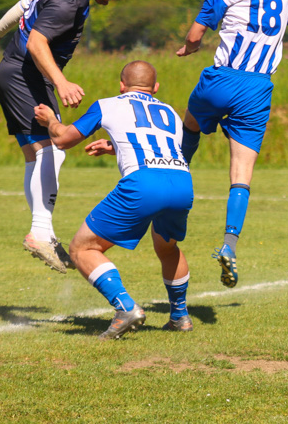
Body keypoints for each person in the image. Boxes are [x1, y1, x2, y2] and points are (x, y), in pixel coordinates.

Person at [0, 0, 128, 273]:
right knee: (54, 150)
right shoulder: (70, 1)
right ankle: (40, 232)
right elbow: (39, 42)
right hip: (27, 74)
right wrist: (61, 82)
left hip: (15, 70)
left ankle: (44, 231)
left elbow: (26, 1)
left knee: (37, 155)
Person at [176, 0, 288, 288]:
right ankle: (229, 245)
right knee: (242, 172)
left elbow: (195, 35)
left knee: (189, 127)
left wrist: (189, 48)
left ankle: (173, 186)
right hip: (258, 88)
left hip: (223, 79)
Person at [34, 61, 195, 339]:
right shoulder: (169, 111)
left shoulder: (108, 104)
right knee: (168, 248)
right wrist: (115, 147)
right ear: (155, 88)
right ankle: (180, 317)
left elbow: (63, 140)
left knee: (82, 249)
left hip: (144, 184)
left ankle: (125, 308)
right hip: (182, 183)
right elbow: (161, 145)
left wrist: (50, 120)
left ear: (122, 85)